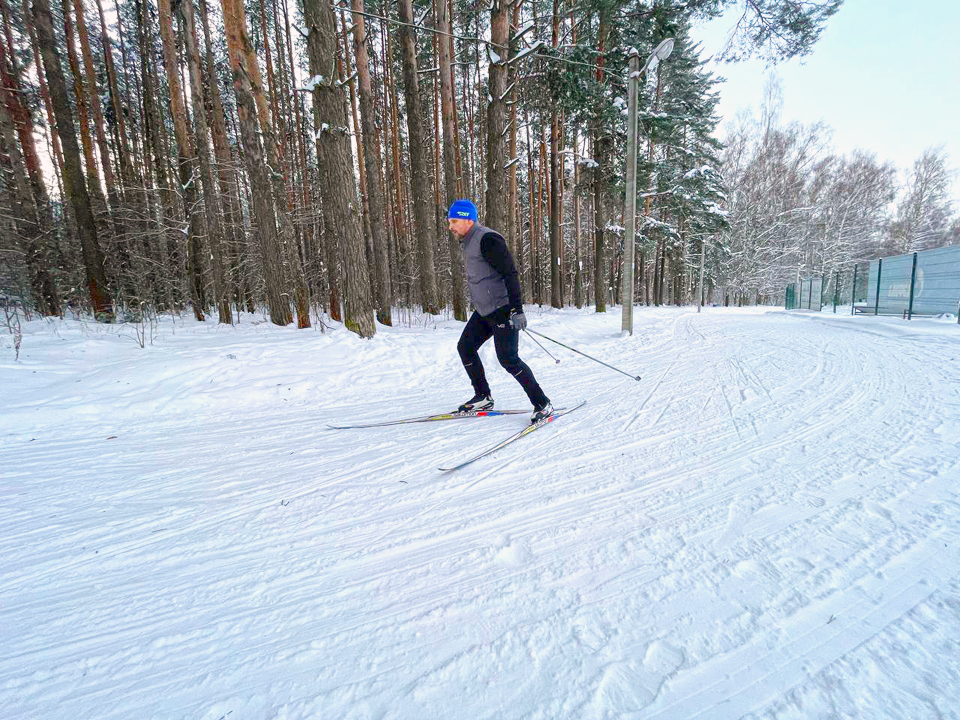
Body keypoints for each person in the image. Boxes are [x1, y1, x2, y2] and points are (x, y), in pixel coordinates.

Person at [447, 199, 553, 424]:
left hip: (503, 309)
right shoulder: (468, 241)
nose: (450, 226)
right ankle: (483, 396)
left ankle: (542, 403)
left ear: (468, 219)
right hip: (485, 311)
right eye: (449, 221)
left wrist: (517, 309)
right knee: (465, 347)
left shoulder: (488, 239)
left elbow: (510, 274)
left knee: (508, 359)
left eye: (454, 221)